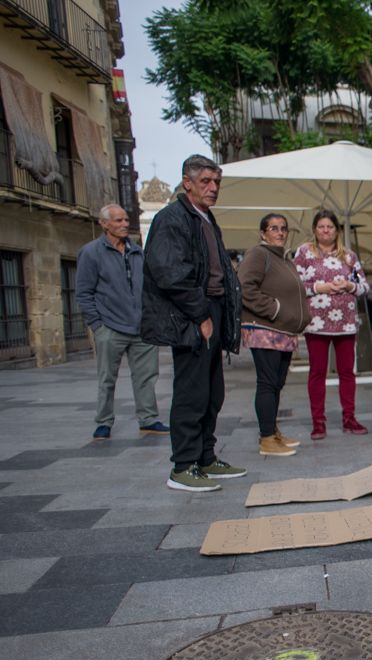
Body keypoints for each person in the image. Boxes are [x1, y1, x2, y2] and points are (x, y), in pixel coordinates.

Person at [142, 154, 245, 492]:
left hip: (211, 310)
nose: (213, 188)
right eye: (205, 181)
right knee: (192, 392)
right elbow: (170, 274)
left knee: (212, 391)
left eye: (217, 182)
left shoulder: (204, 217)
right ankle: (183, 466)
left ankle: (205, 457)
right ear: (187, 182)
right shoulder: (172, 219)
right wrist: (200, 314)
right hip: (190, 315)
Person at [76, 203, 168, 440]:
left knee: (147, 377)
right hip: (109, 327)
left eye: (126, 220)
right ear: (104, 224)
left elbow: (150, 287)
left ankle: (148, 419)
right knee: (107, 378)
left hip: (141, 327)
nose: (125, 224)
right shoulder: (91, 252)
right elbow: (84, 292)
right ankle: (104, 422)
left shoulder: (138, 251)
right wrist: (97, 324)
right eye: (118, 221)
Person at [236, 214, 312, 456]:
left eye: (283, 229)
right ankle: (266, 439)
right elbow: (244, 287)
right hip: (266, 329)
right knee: (268, 384)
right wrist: (274, 309)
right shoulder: (258, 254)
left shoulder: (284, 260)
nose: (280, 233)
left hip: (284, 331)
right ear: (262, 233)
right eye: (274, 228)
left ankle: (272, 431)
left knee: (277, 384)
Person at [293, 209, 370, 438]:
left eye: (330, 227)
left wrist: (350, 286)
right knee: (317, 372)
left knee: (347, 372)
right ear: (315, 230)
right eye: (321, 226)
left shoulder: (349, 256)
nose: (326, 230)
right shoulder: (304, 253)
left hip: (346, 323)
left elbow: (364, 286)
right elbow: (294, 285)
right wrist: (320, 288)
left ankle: (349, 418)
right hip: (316, 323)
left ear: (337, 230)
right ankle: (318, 422)